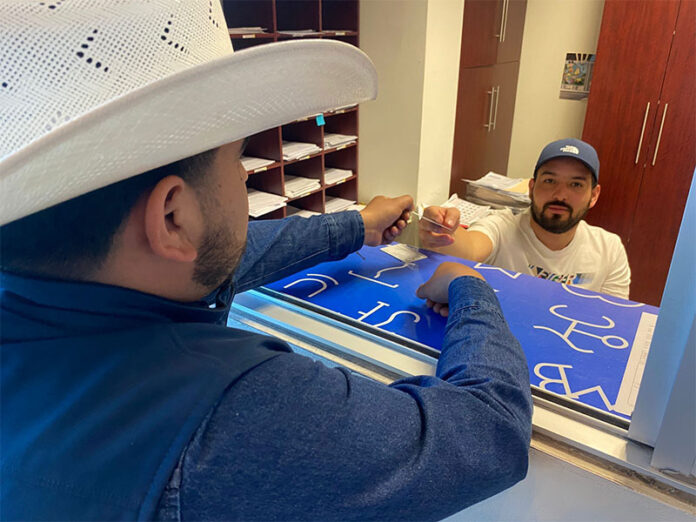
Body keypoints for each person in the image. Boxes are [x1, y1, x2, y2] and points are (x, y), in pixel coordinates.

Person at [0, 1, 532, 520]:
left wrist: (357, 225)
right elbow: (489, 434)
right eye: (236, 157)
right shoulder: (235, 417)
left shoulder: (42, 290)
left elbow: (217, 257)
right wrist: (468, 285)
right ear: (172, 217)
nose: (244, 174)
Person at [419, 138, 631, 299]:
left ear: (593, 195)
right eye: (549, 181)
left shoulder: (609, 249)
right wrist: (442, 229)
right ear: (531, 187)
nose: (560, 195)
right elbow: (471, 247)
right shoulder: (502, 227)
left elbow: (614, 318)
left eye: (576, 184)